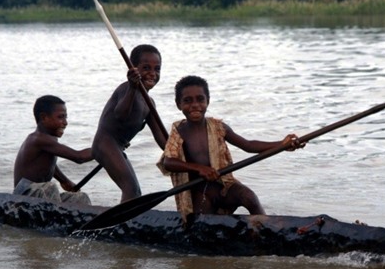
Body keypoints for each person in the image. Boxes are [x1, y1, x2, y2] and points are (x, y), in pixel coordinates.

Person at [159, 75, 304, 221]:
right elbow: (168, 162)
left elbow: (248, 145)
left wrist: (281, 145)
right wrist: (199, 168)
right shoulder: (179, 130)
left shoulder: (218, 127)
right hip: (199, 191)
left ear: (207, 101)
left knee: (249, 197)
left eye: (200, 99)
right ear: (178, 104)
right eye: (187, 101)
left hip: (222, 187)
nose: (195, 105)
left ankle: (266, 228)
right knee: (203, 222)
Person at [92, 44, 168, 203]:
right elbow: (120, 114)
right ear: (133, 69)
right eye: (146, 68)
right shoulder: (126, 89)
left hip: (118, 148)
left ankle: (125, 218)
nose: (152, 74)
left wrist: (180, 154)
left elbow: (161, 137)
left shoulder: (149, 103)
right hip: (105, 143)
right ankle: (121, 225)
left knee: (136, 192)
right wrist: (133, 88)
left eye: (157, 69)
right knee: (130, 189)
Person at [13, 95, 93, 204]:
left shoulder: (50, 139)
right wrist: (104, 150)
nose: (65, 122)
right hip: (24, 195)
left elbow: (49, 163)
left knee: (80, 197)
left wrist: (64, 181)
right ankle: (56, 218)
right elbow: (79, 157)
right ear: (44, 117)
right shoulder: (38, 139)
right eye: (60, 117)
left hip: (42, 194)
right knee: (49, 188)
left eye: (66, 117)